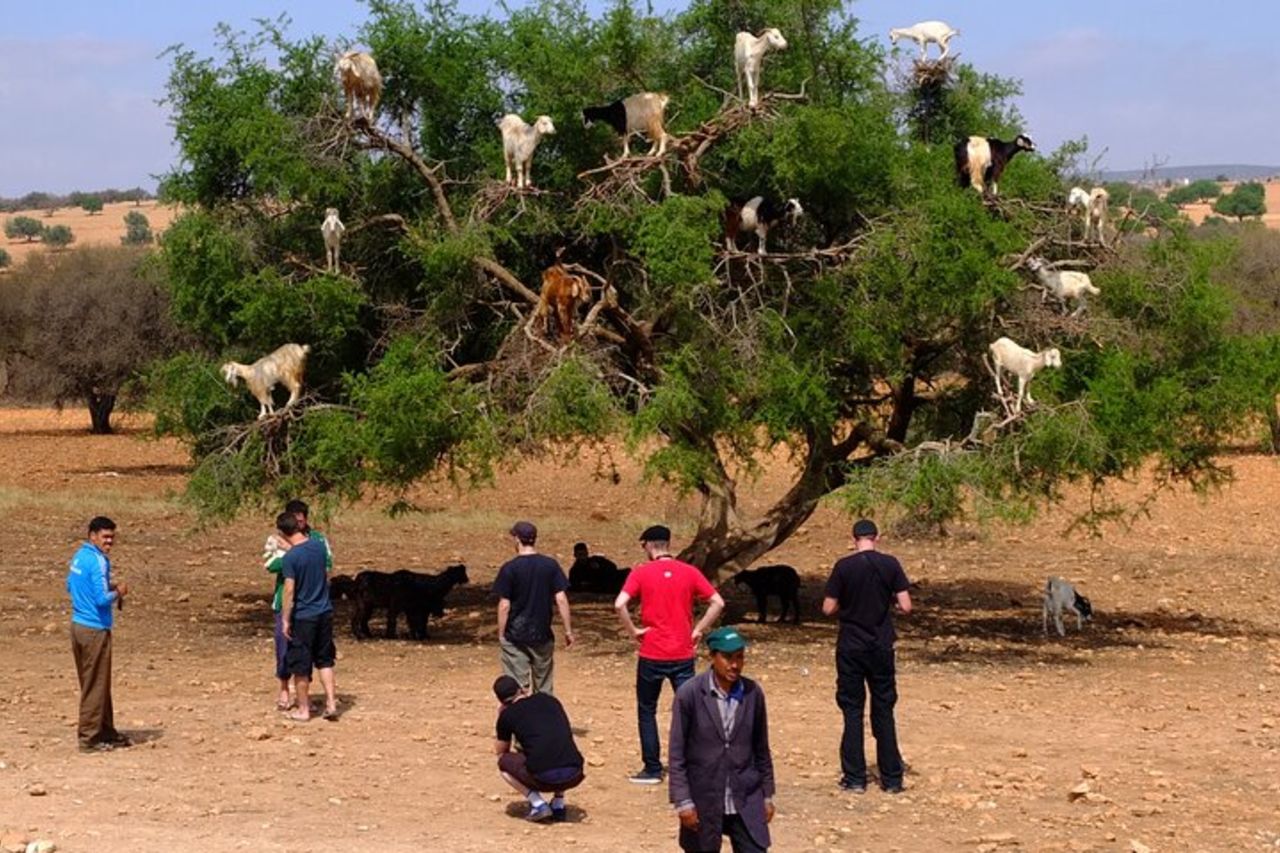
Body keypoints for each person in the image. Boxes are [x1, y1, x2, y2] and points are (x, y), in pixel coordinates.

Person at [614, 524, 725, 785]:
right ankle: (695, 765)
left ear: (650, 545)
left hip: (652, 652)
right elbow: (717, 602)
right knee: (690, 710)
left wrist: (634, 631)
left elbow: (620, 604)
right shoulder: (689, 572)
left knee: (647, 709)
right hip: (682, 652)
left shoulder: (641, 573)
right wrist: (697, 630)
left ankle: (652, 769)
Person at [822, 519, 913, 794]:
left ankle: (855, 778)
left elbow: (827, 608)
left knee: (852, 711)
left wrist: (847, 604)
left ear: (853, 539)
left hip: (851, 646)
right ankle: (893, 779)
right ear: (877, 537)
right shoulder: (891, 564)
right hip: (882, 646)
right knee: (884, 710)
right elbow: (906, 605)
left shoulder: (843, 567)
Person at [669, 627, 775, 853]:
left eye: (740, 657)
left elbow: (761, 748)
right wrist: (683, 801)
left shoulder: (752, 693)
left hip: (746, 797)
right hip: (704, 797)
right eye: (727, 658)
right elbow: (677, 753)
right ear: (712, 656)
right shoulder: (690, 694)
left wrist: (767, 795)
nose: (734, 665)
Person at [67, 516, 130, 752]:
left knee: (95, 682)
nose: (109, 542)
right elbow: (101, 600)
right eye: (105, 537)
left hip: (77, 627)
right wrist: (119, 591)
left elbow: (69, 585)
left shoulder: (79, 557)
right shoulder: (98, 561)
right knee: (95, 684)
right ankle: (89, 738)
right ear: (92, 536)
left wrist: (106, 587)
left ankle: (106, 730)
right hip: (95, 629)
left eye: (112, 537)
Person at [265, 498, 333, 711]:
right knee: (284, 649)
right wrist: (292, 553)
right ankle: (285, 688)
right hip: (287, 603)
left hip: (306, 606)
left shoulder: (318, 539)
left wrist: (292, 551)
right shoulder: (276, 540)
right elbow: (270, 564)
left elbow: (328, 564)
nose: (299, 525)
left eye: (301, 521)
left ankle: (305, 700)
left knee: (307, 653)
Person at [493, 521, 574, 695]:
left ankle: (520, 719)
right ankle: (543, 718)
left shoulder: (510, 569)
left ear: (517, 539)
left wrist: (501, 634)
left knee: (517, 688)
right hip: (542, 635)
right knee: (544, 686)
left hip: (515, 636)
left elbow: (504, 605)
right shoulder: (550, 565)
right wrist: (568, 631)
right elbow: (561, 599)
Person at [492, 674, 586, 823]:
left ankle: (538, 803)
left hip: (544, 778)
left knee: (504, 763)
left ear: (500, 700)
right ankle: (558, 804)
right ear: (521, 689)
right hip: (575, 773)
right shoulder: (550, 701)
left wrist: (501, 717)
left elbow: (501, 751)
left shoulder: (507, 715)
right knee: (556, 747)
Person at [278, 511, 338, 722]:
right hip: (325, 611)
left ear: (283, 533)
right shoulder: (319, 547)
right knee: (325, 659)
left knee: (301, 665)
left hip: (304, 616)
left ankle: (303, 709)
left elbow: (289, 591)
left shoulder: (290, 558)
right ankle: (331, 702)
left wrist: (286, 619)